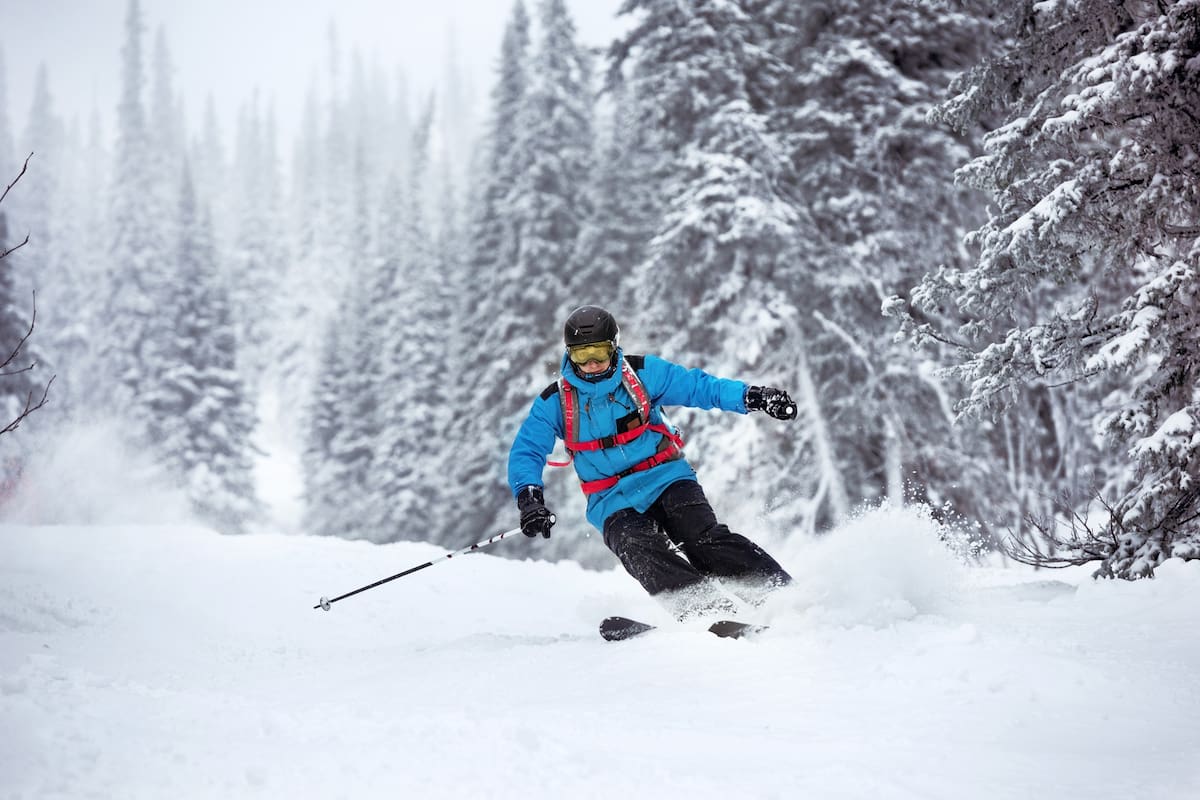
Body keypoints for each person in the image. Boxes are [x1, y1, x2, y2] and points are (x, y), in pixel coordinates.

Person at [508, 305, 798, 620]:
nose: (591, 364)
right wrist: (530, 499)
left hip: (666, 477)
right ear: (569, 354)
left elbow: (700, 388)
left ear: (614, 347)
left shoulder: (643, 373)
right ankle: (706, 613)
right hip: (611, 498)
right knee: (637, 545)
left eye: (599, 354)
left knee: (703, 539)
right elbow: (527, 450)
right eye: (581, 355)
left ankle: (778, 595)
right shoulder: (556, 401)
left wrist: (752, 396)